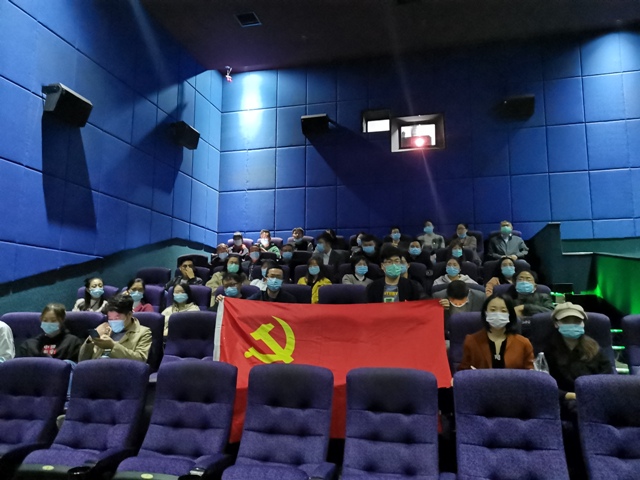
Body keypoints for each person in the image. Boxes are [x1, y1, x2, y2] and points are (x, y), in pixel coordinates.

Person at [546, 303, 612, 415]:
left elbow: (607, 379)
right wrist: (568, 395)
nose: (572, 325)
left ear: (583, 324)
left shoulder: (595, 349)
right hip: (562, 403)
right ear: (556, 324)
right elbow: (545, 385)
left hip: (593, 399)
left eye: (577, 321)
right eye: (566, 321)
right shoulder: (548, 351)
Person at [458, 294, 534, 370]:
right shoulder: (471, 341)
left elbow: (530, 373)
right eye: (493, 310)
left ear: (510, 315)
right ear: (485, 313)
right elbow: (463, 372)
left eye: (503, 311)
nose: (498, 314)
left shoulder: (523, 343)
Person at [78, 295, 152, 362]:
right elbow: (82, 359)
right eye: (110, 318)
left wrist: (112, 346)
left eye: (117, 318)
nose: (113, 322)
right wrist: (91, 340)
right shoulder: (105, 329)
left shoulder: (143, 332)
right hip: (95, 368)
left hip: (119, 370)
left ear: (129, 314)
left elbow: (140, 360)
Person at [17, 303, 83, 361]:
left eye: (53, 321)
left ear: (62, 320)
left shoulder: (73, 343)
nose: (48, 324)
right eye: (45, 320)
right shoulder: (28, 345)